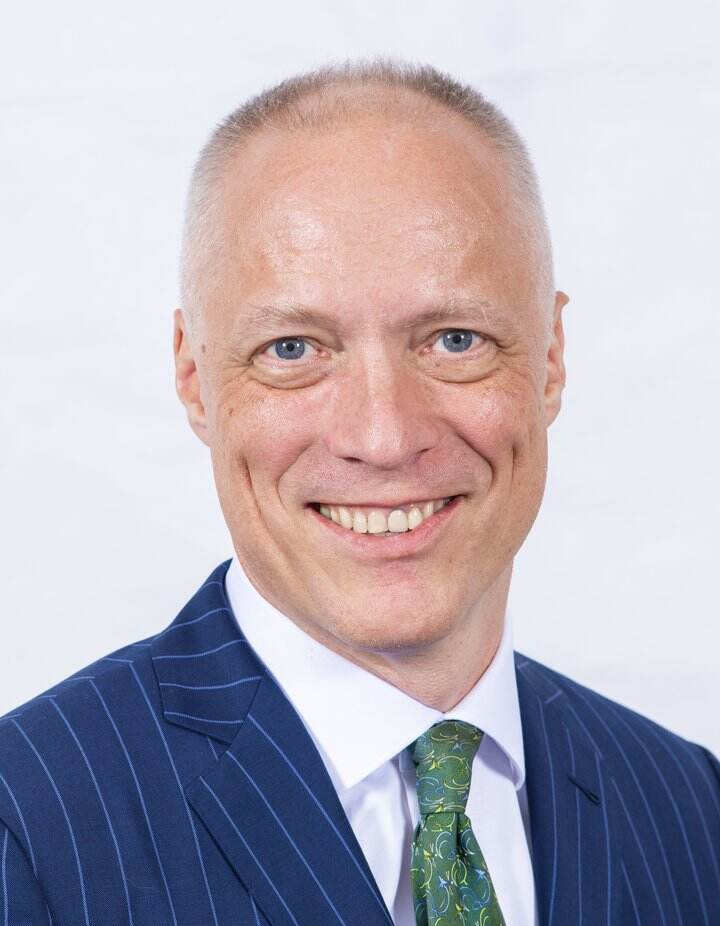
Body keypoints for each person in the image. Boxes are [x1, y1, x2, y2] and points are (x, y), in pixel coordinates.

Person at [0, 59, 718, 926]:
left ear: (552, 358)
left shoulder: (691, 809)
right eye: (293, 350)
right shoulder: (26, 828)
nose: (383, 436)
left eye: (455, 339)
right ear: (194, 379)